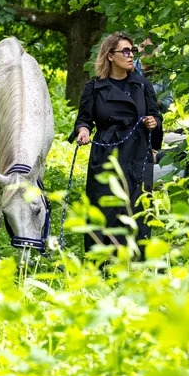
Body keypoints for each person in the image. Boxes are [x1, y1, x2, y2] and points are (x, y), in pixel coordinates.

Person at [71, 32, 164, 259]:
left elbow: (155, 116)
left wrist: (154, 122)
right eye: (125, 51)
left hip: (137, 154)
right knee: (104, 209)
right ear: (110, 56)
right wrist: (83, 131)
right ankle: (101, 265)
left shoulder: (142, 85)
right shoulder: (94, 87)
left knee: (138, 209)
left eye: (132, 50)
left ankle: (137, 266)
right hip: (106, 154)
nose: (130, 55)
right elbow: (84, 120)